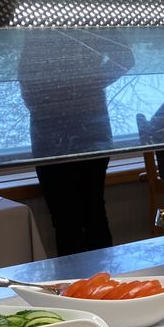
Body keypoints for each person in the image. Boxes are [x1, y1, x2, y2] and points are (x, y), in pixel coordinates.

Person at [19, 29, 134, 256]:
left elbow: (124, 57)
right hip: (54, 128)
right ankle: (84, 277)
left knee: (87, 213)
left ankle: (101, 276)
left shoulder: (88, 21)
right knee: (70, 217)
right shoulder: (39, 25)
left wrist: (86, 84)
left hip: (84, 126)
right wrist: (81, 87)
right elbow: (26, 74)